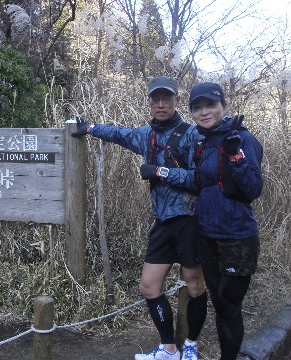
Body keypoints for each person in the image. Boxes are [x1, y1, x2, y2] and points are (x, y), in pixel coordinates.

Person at [71, 76, 207, 360]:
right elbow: (120, 134)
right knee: (148, 286)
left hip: (189, 221)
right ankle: (169, 349)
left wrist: (160, 171)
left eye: (166, 99)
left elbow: (200, 179)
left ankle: (191, 346)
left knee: (194, 286)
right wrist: (91, 128)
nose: (160, 104)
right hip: (163, 223)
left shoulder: (192, 134)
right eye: (155, 99)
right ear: (150, 102)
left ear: (176, 102)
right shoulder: (147, 135)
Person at [188, 82, 263, 360]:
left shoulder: (243, 139)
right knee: (220, 304)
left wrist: (236, 156)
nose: (205, 112)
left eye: (211, 105)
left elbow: (253, 189)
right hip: (207, 234)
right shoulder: (202, 142)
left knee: (230, 305)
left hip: (237, 237)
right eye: (198, 107)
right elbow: (200, 183)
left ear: (223, 106)